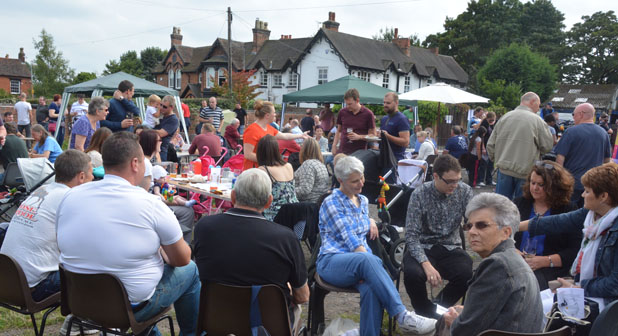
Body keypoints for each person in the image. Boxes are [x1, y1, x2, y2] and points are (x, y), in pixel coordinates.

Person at [56, 132, 200, 335]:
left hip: (80, 302)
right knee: (191, 271)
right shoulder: (150, 204)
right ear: (135, 163)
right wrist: (159, 249)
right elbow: (182, 259)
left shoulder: (70, 196)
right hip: (128, 308)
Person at [318, 156, 437, 335]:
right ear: (340, 181)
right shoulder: (331, 202)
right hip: (331, 262)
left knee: (372, 288)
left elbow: (359, 231)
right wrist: (368, 226)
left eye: (362, 178)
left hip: (358, 263)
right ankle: (402, 316)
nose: (361, 183)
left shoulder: (363, 201)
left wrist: (369, 221)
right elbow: (350, 238)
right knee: (366, 260)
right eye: (355, 181)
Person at [193, 168, 309, 332]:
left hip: (217, 324)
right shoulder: (286, 238)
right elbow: (302, 296)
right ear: (269, 202)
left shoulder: (204, 228)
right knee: (295, 306)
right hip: (268, 328)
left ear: (233, 197)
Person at [443, 193, 543, 334]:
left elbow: (465, 330)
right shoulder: (512, 259)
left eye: (481, 225)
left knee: (442, 323)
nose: (471, 231)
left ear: (506, 232)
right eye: (469, 226)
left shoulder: (498, 265)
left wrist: (454, 322)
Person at [520, 162, 618, 305]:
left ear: (603, 196)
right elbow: (556, 222)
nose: (583, 194)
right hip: (581, 288)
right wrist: (513, 226)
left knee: (534, 309)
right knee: (531, 304)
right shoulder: (591, 214)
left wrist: (577, 287)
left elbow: (614, 284)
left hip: (602, 303)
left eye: (587, 191)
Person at [1, 150, 93, 302]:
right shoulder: (70, 198)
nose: (93, 179)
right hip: (33, 288)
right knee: (97, 273)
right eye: (91, 175)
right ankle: (81, 323)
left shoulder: (42, 190)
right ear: (81, 177)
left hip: (7, 282)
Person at [404, 154, 473, 319]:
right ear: (435, 176)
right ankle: (423, 312)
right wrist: (426, 264)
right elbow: (411, 236)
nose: (455, 185)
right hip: (423, 245)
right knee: (413, 274)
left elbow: (472, 221)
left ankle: (436, 309)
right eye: (450, 181)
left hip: (450, 246)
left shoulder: (464, 191)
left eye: (458, 180)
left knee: (466, 273)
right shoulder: (419, 194)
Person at [513, 160, 580, 290]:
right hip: (517, 264)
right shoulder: (519, 204)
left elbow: (574, 250)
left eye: (541, 184)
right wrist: (513, 251)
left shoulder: (568, 210)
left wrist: (545, 261)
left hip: (549, 270)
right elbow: (502, 235)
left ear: (554, 186)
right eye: (532, 183)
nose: (535, 188)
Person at [487, 92, 554, 199]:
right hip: (526, 172)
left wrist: (496, 160)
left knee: (500, 207)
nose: (538, 109)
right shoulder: (537, 121)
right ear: (532, 101)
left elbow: (490, 145)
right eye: (538, 105)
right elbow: (547, 146)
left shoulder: (504, 117)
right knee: (521, 208)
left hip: (504, 169)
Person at [555, 103, 611, 206]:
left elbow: (560, 158)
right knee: (587, 216)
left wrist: (559, 180)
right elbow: (607, 162)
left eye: (573, 114)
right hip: (594, 185)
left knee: (568, 215)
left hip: (572, 184)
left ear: (581, 114)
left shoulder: (571, 132)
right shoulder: (604, 133)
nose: (573, 117)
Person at [242, 100, 306, 170]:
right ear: (267, 115)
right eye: (274, 112)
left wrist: (301, 135)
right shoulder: (252, 130)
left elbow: (285, 136)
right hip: (253, 171)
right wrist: (269, 160)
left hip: (265, 169)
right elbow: (248, 154)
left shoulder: (269, 128)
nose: (275, 115)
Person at [257, 135, 298, 221]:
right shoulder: (289, 166)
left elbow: (257, 196)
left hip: (274, 217)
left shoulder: (264, 170)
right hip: (294, 215)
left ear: (260, 152)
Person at [331, 89, 376, 155]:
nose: (348, 106)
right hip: (342, 152)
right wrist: (334, 146)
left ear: (357, 100)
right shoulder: (342, 112)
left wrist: (359, 137)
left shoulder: (368, 114)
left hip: (359, 154)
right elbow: (339, 131)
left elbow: (373, 135)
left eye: (350, 104)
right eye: (346, 104)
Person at [294, 138, 329, 203]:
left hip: (307, 204)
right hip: (318, 203)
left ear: (304, 150)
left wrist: (288, 191)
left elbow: (305, 189)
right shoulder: (321, 164)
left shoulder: (308, 164)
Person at [380, 92, 410, 160]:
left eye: (388, 103)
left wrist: (387, 136)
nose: (385, 105)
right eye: (384, 102)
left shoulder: (402, 119)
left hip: (395, 159)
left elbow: (405, 142)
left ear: (396, 103)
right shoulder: (384, 118)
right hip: (383, 158)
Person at [154, 95, 179, 161]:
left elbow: (162, 133)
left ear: (171, 107)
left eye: (164, 107)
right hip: (154, 149)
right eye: (161, 105)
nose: (161, 108)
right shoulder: (161, 115)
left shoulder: (173, 119)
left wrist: (147, 130)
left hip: (162, 150)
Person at [478, 111, 496, 186]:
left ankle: (489, 180)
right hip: (485, 145)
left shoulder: (495, 123)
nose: (492, 122)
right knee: (483, 163)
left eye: (493, 120)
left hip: (492, 146)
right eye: (490, 120)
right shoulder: (484, 123)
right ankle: (481, 180)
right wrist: (483, 148)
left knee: (491, 164)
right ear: (487, 118)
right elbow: (481, 136)